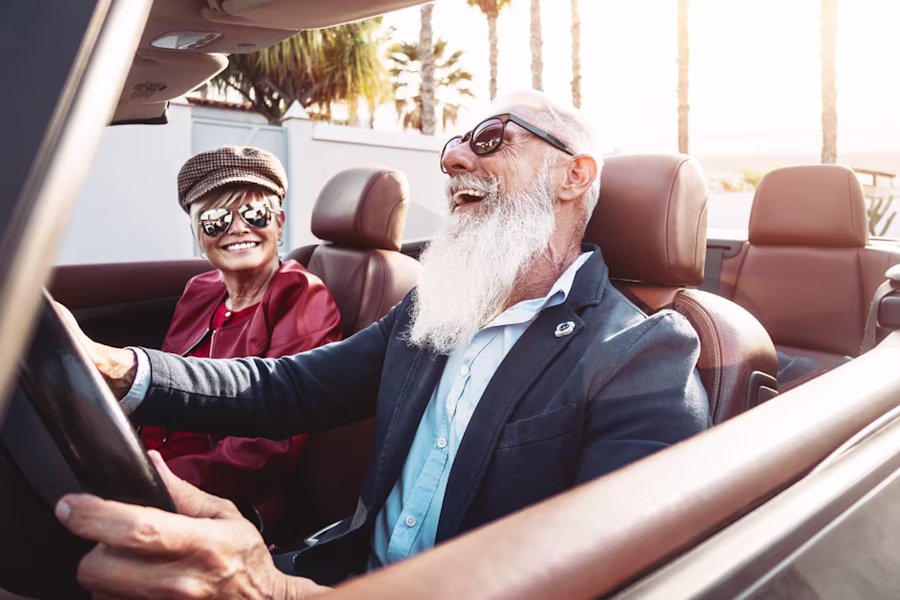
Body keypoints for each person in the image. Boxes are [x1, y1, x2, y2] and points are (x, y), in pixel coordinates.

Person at [55, 91, 710, 599]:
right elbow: (287, 389)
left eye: (489, 140)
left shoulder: (643, 353)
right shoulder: (434, 309)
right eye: (454, 144)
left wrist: (276, 591)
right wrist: (119, 369)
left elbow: (605, 577)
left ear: (574, 176)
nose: (454, 158)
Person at [138, 146, 343, 537]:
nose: (237, 228)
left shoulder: (302, 297)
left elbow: (268, 444)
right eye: (215, 219)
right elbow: (165, 390)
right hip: (152, 468)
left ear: (279, 224)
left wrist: (153, 482)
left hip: (223, 499)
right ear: (198, 235)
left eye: (255, 213)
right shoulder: (199, 290)